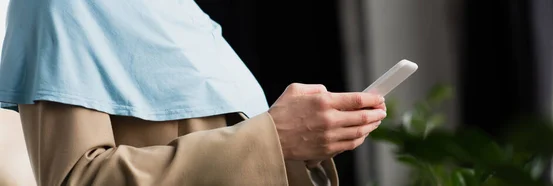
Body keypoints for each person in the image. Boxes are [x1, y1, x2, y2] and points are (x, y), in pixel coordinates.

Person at [0, 1, 387, 185]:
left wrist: (307, 141)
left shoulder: (187, 12)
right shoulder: (57, 4)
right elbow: (77, 180)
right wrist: (274, 140)